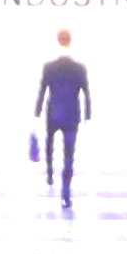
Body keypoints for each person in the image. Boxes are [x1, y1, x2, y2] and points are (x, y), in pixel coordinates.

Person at [33, 31, 91, 208]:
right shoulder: (79, 68)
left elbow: (43, 90)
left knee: (49, 143)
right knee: (69, 153)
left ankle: (50, 172)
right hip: (72, 114)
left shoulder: (49, 67)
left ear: (58, 41)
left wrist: (37, 112)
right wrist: (88, 114)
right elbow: (85, 92)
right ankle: (65, 193)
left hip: (53, 112)